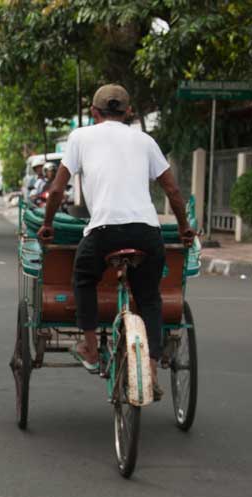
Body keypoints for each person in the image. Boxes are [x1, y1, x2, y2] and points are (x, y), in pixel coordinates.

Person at [36, 84, 194, 397]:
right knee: (148, 298)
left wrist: (48, 224)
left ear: (94, 113)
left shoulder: (80, 137)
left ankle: (91, 349)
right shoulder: (145, 140)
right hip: (147, 233)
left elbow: (55, 190)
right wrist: (184, 226)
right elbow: (173, 191)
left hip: (104, 231)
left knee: (83, 278)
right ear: (129, 112)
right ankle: (150, 367)